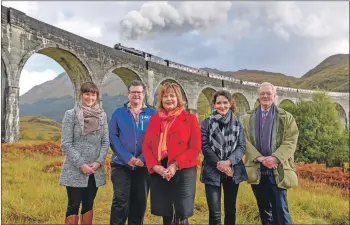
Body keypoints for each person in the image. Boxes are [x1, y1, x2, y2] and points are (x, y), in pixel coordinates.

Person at [142, 82, 201, 225]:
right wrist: (155, 167)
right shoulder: (155, 119)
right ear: (161, 99)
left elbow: (195, 147)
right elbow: (146, 145)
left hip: (183, 168)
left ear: (178, 98)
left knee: (181, 213)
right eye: (165, 96)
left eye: (172, 96)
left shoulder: (190, 118)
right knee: (166, 211)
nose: (169, 99)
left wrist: (175, 165)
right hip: (161, 168)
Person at [242, 82, 299, 225]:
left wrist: (275, 158)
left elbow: (291, 140)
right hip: (257, 169)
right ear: (258, 96)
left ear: (275, 96)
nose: (265, 96)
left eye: (269, 93)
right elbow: (243, 140)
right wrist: (259, 158)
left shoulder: (286, 117)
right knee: (264, 210)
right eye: (262, 93)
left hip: (277, 169)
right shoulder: (247, 118)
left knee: (281, 210)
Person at [59, 82, 109, 225]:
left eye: (93, 94)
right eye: (87, 93)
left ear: (97, 96)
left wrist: (99, 162)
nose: (90, 97)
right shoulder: (71, 115)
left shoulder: (102, 115)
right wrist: (81, 164)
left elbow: (105, 142)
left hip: (95, 169)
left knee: (89, 204)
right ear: (81, 95)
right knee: (73, 204)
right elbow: (66, 144)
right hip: (75, 169)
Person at [109, 80, 156, 225]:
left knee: (139, 204)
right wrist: (127, 158)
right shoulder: (118, 113)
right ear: (128, 94)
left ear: (144, 94)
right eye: (133, 92)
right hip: (121, 165)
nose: (136, 95)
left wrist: (142, 158)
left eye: (139, 92)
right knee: (120, 202)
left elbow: (156, 138)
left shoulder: (152, 113)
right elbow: (113, 137)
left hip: (143, 166)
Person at [200, 90, 248, 225]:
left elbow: (241, 147)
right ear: (214, 105)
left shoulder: (238, 124)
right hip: (212, 169)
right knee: (214, 213)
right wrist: (220, 164)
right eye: (219, 103)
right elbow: (205, 147)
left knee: (230, 210)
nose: (222, 106)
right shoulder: (206, 123)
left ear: (230, 103)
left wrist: (228, 162)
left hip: (232, 170)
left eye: (225, 102)